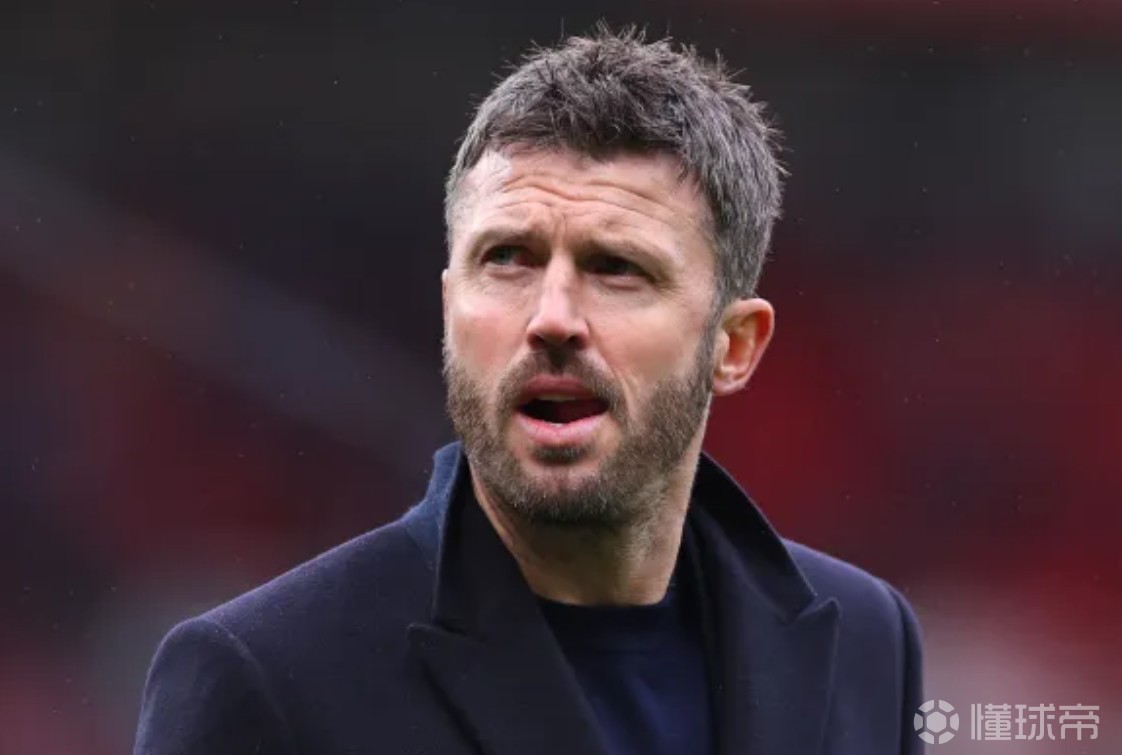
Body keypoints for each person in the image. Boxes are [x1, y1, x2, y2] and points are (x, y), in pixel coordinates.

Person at [135, 26, 923, 755]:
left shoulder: (870, 643)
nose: (552, 318)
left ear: (735, 345)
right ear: (450, 306)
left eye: (617, 268)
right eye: (507, 258)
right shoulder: (267, 678)